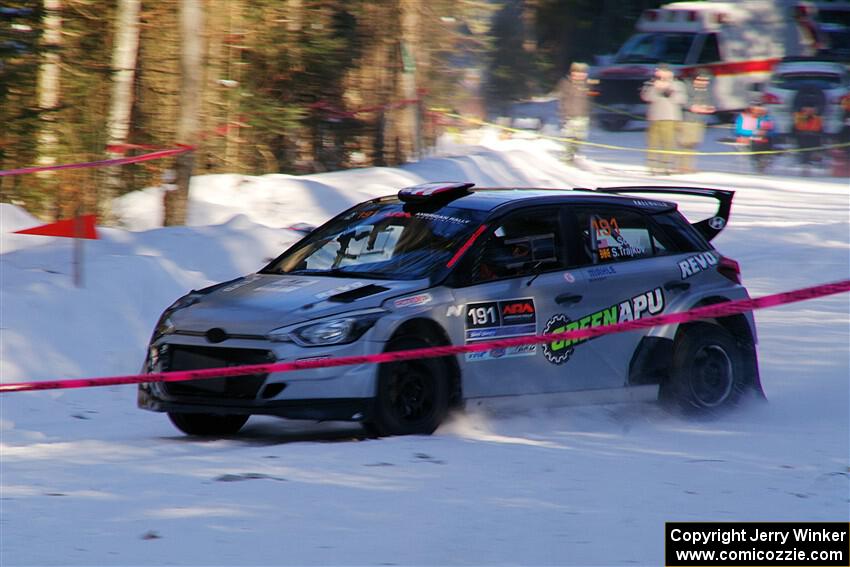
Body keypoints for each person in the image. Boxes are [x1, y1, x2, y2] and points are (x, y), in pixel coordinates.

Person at [641, 65, 687, 174]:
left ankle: (667, 166)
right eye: (659, 72)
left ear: (670, 73)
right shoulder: (651, 83)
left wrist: (669, 91)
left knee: (668, 142)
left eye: (663, 72)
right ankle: (652, 166)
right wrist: (655, 88)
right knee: (653, 143)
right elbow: (646, 97)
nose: (661, 75)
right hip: (655, 117)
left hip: (671, 118)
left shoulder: (678, 84)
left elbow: (682, 99)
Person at [678, 71, 716, 173]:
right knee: (686, 144)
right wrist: (692, 107)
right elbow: (682, 101)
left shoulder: (707, 91)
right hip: (688, 120)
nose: (703, 82)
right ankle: (682, 166)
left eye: (705, 80)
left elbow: (712, 103)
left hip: (700, 121)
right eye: (700, 80)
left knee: (694, 144)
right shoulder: (687, 88)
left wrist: (709, 108)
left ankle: (690, 166)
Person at [557, 62, 592, 163]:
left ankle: (573, 153)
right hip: (570, 116)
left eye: (583, 74)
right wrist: (563, 114)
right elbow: (562, 100)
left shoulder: (587, 84)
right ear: (572, 73)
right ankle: (567, 156)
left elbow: (589, 99)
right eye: (578, 73)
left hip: (583, 116)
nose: (580, 76)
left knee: (579, 137)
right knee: (569, 137)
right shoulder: (566, 83)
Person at [735, 100, 776, 173]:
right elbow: (738, 130)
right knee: (754, 144)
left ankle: (764, 160)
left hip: (763, 140)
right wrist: (753, 132)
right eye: (755, 109)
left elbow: (773, 131)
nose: (758, 111)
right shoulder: (743, 116)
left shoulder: (766, 118)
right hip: (747, 140)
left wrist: (765, 133)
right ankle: (758, 162)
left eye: (760, 109)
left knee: (767, 141)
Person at [792, 105, 823, 174]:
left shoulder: (817, 119)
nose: (808, 112)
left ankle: (809, 163)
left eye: (811, 111)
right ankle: (805, 163)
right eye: (806, 111)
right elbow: (795, 130)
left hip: (814, 139)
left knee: (811, 145)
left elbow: (820, 131)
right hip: (802, 139)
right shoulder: (799, 118)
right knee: (804, 146)